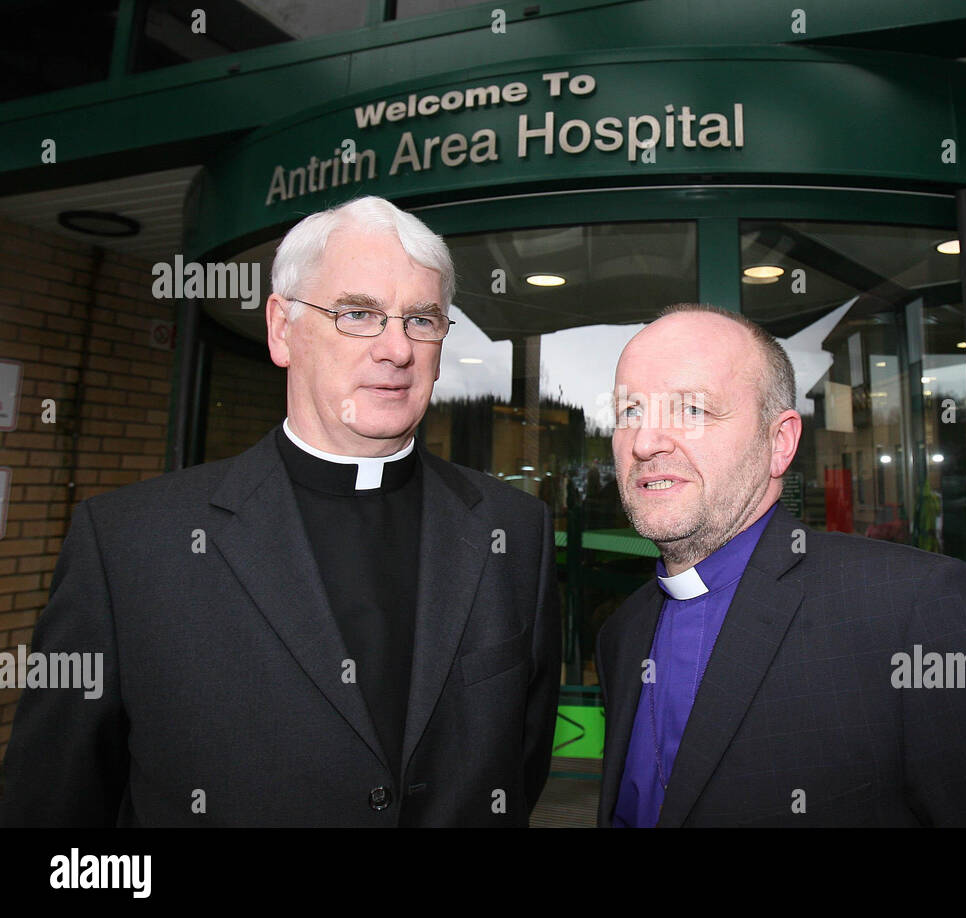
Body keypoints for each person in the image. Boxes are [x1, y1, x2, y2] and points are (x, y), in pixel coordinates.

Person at [1, 196, 560, 827]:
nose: (397, 350)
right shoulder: (129, 545)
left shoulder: (514, 530)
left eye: (422, 321)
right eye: (358, 314)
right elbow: (53, 807)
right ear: (282, 329)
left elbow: (520, 763)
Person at [595, 304, 966, 827]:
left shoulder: (916, 614)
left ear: (780, 443)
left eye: (693, 409)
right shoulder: (622, 635)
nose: (645, 441)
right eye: (630, 411)